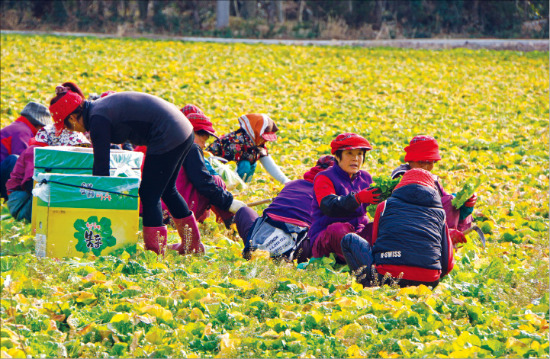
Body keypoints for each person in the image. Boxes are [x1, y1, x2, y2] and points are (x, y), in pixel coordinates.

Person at [49, 83, 203, 256]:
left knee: (149, 194)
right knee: (167, 190)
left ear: (72, 119)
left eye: (68, 127)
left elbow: (101, 169)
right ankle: (193, 246)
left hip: (167, 132)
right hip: (183, 128)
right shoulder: (98, 110)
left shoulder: (97, 119)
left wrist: (94, 205)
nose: (74, 131)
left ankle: (155, 252)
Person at [341, 168, 455, 288]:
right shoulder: (440, 213)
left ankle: (368, 286)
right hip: (428, 282)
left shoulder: (384, 206)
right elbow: (447, 264)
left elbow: (376, 245)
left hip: (387, 278)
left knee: (349, 239)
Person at [234, 155, 335, 263]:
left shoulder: (293, 184)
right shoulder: (331, 194)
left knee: (243, 210)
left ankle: (256, 251)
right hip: (298, 247)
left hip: (260, 238)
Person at [170, 109, 247, 243]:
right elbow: (203, 182)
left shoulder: (170, 143)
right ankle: (231, 223)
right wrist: (229, 202)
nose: (204, 145)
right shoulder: (191, 148)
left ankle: (230, 222)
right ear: (191, 132)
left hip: (159, 207)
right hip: (177, 209)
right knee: (215, 181)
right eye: (202, 138)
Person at [308, 133, 382, 263]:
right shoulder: (324, 177)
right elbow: (329, 206)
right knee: (338, 230)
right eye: (349, 154)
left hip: (357, 233)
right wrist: (357, 199)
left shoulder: (365, 177)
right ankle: (365, 263)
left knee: (379, 227)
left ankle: (370, 259)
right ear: (337, 156)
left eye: (359, 154)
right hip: (327, 236)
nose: (355, 159)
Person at [391, 135, 477, 244]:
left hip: (434, 225)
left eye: (430, 162)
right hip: (415, 230)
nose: (426, 167)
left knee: (453, 201)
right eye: (421, 162)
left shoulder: (433, 179)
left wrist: (465, 203)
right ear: (410, 161)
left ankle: (450, 244)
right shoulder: (402, 177)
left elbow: (449, 203)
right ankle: (444, 241)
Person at [5, 124, 90, 222]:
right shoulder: (36, 152)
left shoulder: (54, 155)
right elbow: (32, 184)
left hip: (33, 196)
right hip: (21, 203)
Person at [207, 113, 290, 184]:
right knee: (245, 164)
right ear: (256, 132)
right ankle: (235, 188)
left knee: (252, 163)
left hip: (232, 172)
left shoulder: (256, 142)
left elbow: (268, 162)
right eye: (263, 137)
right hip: (215, 172)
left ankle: (243, 185)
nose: (265, 140)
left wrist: (285, 181)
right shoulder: (235, 142)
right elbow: (229, 166)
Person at [1, 102, 52, 200]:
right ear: (38, 125)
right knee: (15, 160)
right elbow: (22, 161)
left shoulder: (19, 127)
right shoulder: (22, 131)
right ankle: (9, 196)